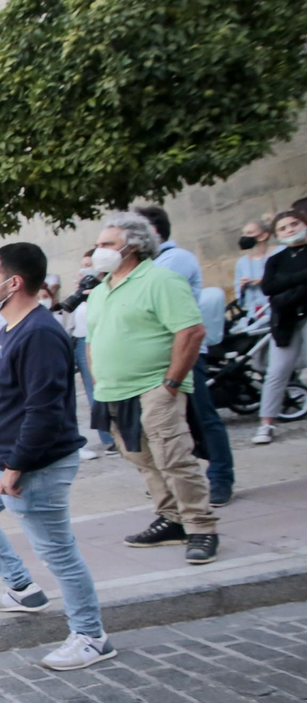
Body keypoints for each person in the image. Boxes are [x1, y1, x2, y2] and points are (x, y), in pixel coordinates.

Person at [0, 243, 113, 670]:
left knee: (57, 551)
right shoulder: (9, 326)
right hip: (0, 461)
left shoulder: (40, 333)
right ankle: (22, 588)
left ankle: (91, 635)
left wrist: (16, 466)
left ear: (14, 282)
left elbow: (42, 410)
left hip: (32, 468)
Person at [87, 212, 218, 563]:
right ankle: (172, 518)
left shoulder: (161, 280)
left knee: (173, 458)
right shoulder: (101, 290)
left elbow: (191, 331)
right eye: (99, 244)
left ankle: (201, 527)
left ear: (134, 245)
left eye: (107, 244)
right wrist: (99, 378)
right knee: (142, 458)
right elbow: (93, 337)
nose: (100, 250)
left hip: (155, 387)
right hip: (114, 391)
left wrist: (171, 384)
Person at [136, 205, 235, 505]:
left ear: (152, 233)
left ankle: (220, 478)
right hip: (156, 357)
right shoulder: (148, 265)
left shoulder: (174, 259)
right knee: (172, 423)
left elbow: (145, 298)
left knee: (203, 416)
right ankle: (180, 483)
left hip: (184, 353)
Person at [253, 209, 307, 446]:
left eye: (294, 224)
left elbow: (278, 287)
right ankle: (266, 423)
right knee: (276, 372)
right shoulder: (276, 259)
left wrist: (285, 289)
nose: (290, 230)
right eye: (283, 228)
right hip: (285, 320)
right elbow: (268, 288)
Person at [64, 251, 112, 458]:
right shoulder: (81, 290)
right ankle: (108, 439)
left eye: (89, 264)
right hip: (83, 341)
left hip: (108, 338)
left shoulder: (109, 287)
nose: (85, 269)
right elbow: (71, 318)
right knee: (94, 391)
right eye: (83, 265)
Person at [235, 214, 278, 314]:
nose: (244, 236)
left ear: (263, 235)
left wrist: (265, 281)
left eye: (249, 233)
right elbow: (239, 296)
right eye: (243, 233)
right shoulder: (242, 263)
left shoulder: (279, 253)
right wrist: (242, 286)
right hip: (255, 312)